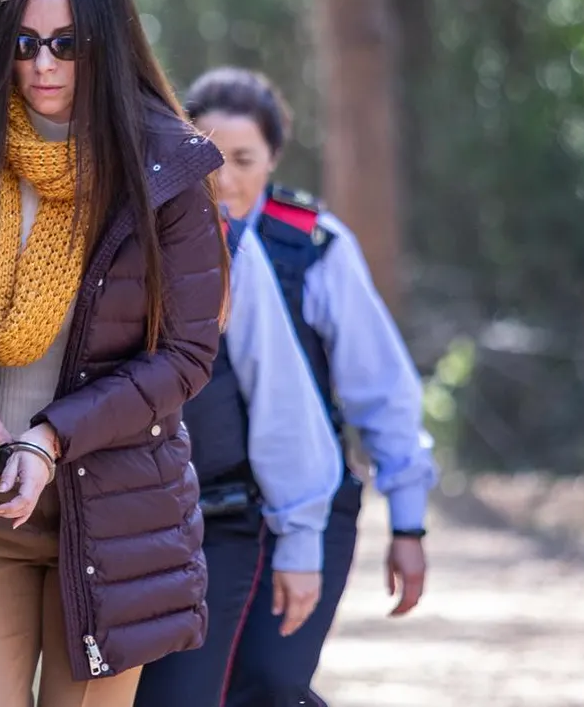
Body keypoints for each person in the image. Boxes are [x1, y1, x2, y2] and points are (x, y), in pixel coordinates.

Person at [0, 0, 230, 707]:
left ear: (105, 44)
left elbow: (184, 355)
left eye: (67, 44)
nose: (43, 64)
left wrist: (49, 437)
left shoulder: (166, 166)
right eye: (26, 41)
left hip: (113, 512)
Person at [186, 66, 437, 707]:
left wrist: (408, 527)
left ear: (273, 156)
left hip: (309, 506)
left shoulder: (316, 247)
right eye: (211, 155)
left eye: (244, 158)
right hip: (201, 507)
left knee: (270, 684)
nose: (227, 176)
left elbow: (382, 392)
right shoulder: (170, 240)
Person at [133, 215, 342, 707]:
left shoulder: (229, 242)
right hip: (94, 522)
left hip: (213, 524)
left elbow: (281, 400)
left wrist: (301, 539)